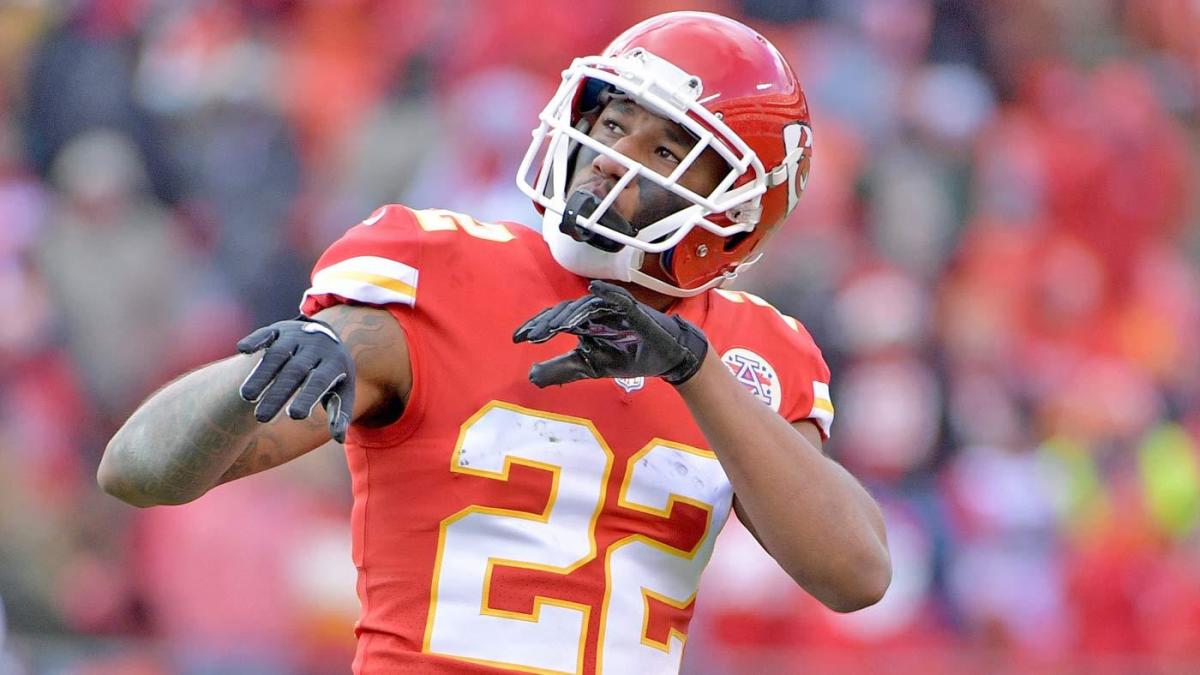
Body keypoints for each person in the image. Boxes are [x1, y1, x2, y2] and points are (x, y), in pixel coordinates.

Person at [98, 11, 890, 674]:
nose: (612, 158)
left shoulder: (755, 351)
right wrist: (266, 372)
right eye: (614, 123)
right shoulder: (441, 272)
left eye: (663, 150)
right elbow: (137, 470)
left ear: (740, 207)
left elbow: (855, 572)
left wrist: (692, 366)